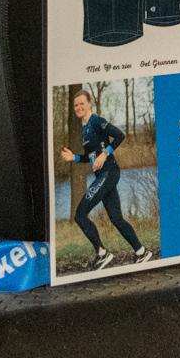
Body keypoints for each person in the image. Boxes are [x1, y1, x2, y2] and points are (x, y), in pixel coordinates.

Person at [60, 89, 151, 271]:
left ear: (89, 104)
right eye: (76, 105)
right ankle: (141, 252)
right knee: (116, 218)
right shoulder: (85, 129)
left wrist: (105, 154)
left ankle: (102, 254)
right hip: (103, 175)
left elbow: (120, 135)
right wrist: (74, 158)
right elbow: (90, 157)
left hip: (109, 172)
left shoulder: (96, 121)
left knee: (80, 215)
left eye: (82, 103)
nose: (78, 107)